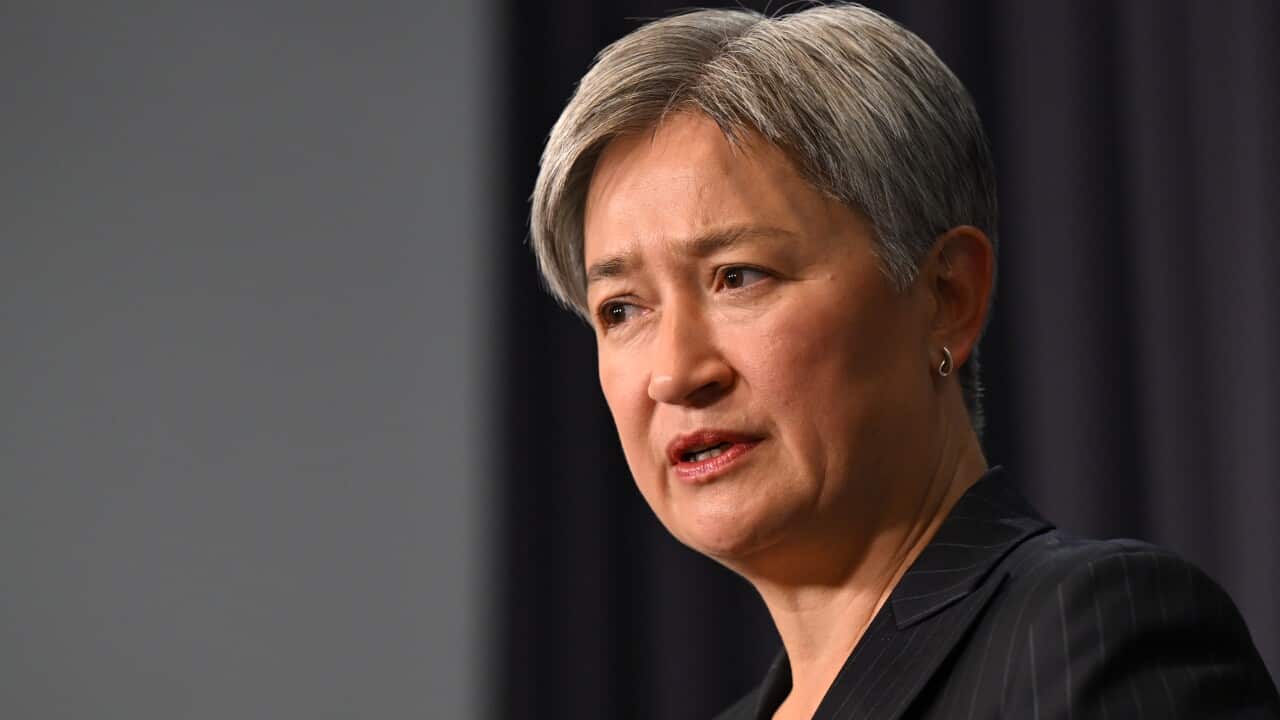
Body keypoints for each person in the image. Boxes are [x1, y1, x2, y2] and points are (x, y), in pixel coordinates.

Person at [528, 4, 1280, 718]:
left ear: (947, 296)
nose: (674, 373)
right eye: (621, 310)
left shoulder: (1090, 637)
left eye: (739, 276)